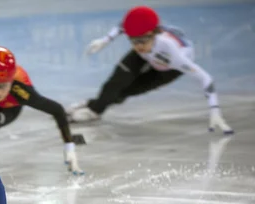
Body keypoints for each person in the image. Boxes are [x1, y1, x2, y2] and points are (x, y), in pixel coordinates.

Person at [66, 6, 233, 135]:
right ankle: (95, 110)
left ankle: (92, 104)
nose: (138, 46)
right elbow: (124, 26)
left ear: (154, 34)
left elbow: (206, 78)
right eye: (133, 41)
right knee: (115, 82)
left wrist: (214, 109)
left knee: (127, 91)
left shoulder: (175, 54)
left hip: (168, 69)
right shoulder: (141, 39)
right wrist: (105, 40)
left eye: (142, 40)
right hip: (149, 56)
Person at [0, 46, 84, 175]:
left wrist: (69, 147)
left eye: (4, 85)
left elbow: (57, 110)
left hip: (9, 109)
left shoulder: (20, 90)